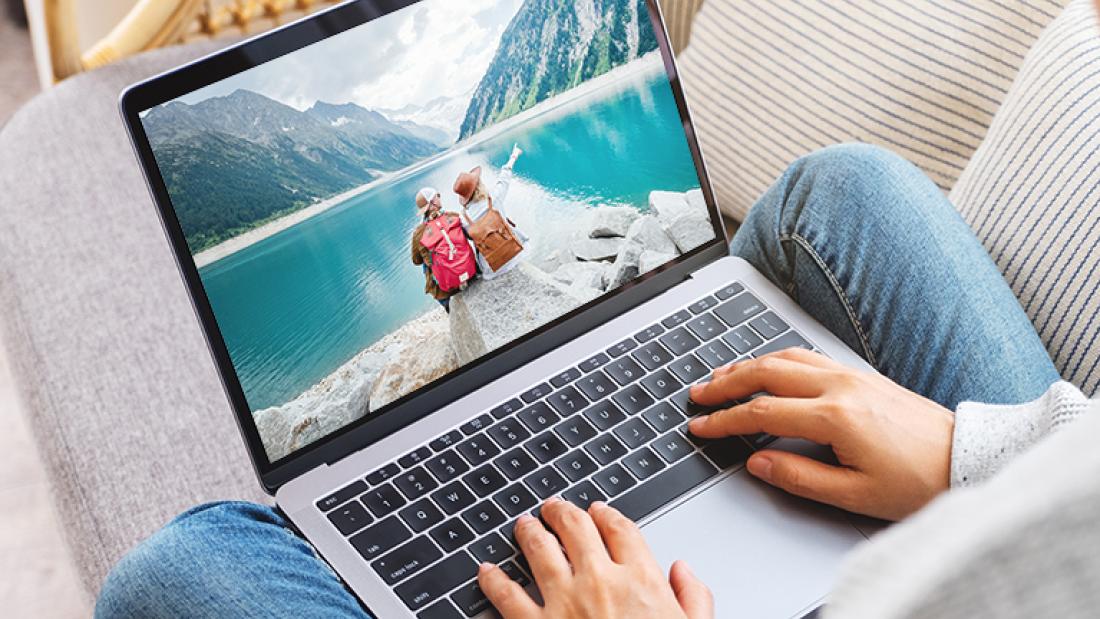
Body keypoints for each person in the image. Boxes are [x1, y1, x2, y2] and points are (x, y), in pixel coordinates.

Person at [94, 144, 1099, 618]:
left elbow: (483, 243)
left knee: (179, 574)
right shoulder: (445, 231)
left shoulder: (471, 220)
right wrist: (972, 457)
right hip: (1041, 541)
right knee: (842, 195)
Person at [452, 144, 529, 279]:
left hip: (492, 269)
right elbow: (504, 178)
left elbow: (470, 239)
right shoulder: (493, 199)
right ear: (479, 186)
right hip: (515, 255)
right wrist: (514, 156)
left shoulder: (463, 220)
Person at [410, 187, 475, 312]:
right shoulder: (453, 216)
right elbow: (470, 236)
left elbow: (416, 260)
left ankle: (448, 306)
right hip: (470, 272)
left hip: (445, 289)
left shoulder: (419, 232)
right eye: (437, 196)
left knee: (427, 260)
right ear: (432, 203)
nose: (440, 197)